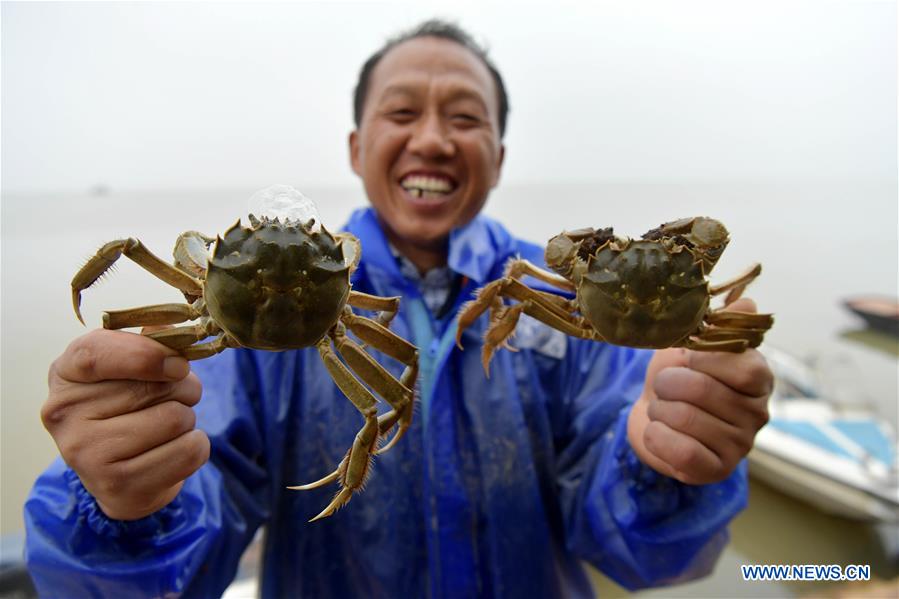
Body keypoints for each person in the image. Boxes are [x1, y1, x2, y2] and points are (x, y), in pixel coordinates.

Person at [24, 19, 773, 598]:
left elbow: (640, 550)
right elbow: (176, 559)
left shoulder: (564, 302)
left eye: (467, 118)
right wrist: (115, 502)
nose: (432, 139)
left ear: (501, 155)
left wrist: (667, 466)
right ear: (356, 147)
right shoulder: (262, 343)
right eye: (402, 111)